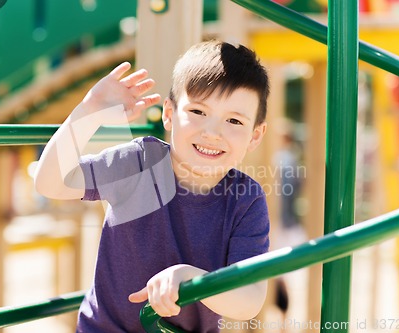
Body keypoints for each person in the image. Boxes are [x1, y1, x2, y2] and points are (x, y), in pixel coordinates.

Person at [34, 40, 271, 333]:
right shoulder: (139, 164)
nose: (212, 132)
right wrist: (88, 113)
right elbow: (52, 183)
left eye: (234, 120)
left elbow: (249, 299)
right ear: (169, 114)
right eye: (198, 112)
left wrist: (189, 278)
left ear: (255, 136)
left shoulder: (245, 200)